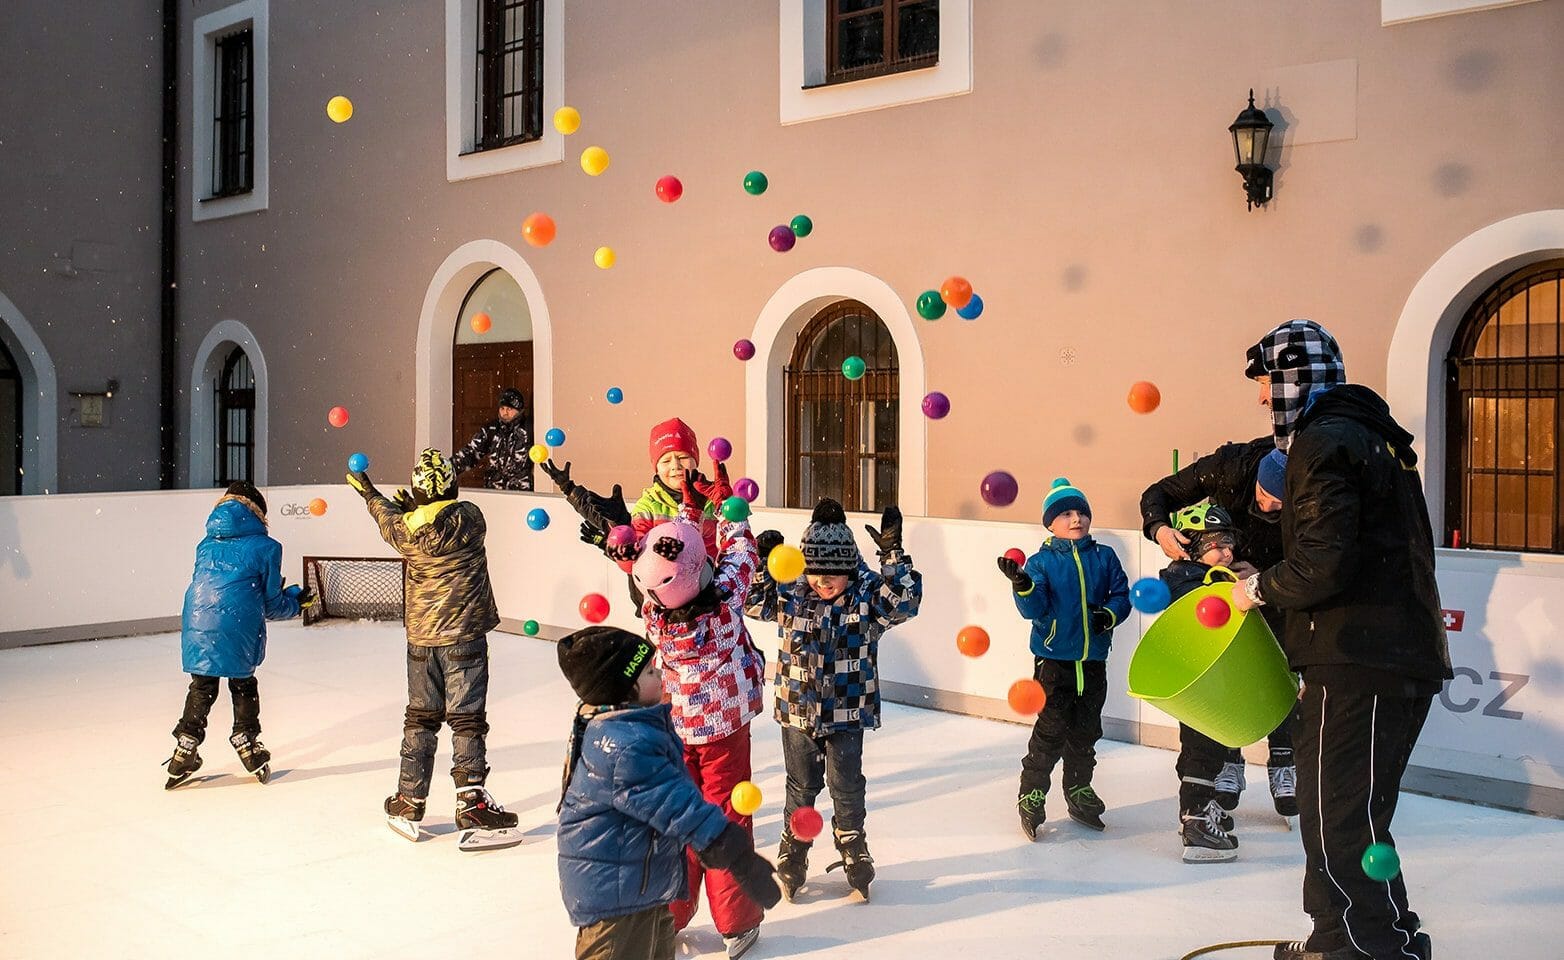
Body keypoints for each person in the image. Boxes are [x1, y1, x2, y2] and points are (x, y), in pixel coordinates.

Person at [1232, 319, 1451, 960]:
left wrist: (1261, 588)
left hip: (1355, 655)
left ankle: (1354, 947)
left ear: (1296, 380)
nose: (1261, 398)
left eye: (1269, 381)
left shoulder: (1324, 442)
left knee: (1334, 819)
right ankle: (1375, 936)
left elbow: (1325, 563)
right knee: (1359, 816)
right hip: (1397, 653)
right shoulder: (1374, 438)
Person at [605, 469, 768, 958]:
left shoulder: (655, 612)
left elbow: (673, 552)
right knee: (724, 817)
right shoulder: (722, 607)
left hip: (677, 732)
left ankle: (670, 913)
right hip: (723, 735)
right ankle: (737, 922)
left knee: (679, 818)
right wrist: (728, 507)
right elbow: (742, 556)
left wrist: (687, 508)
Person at [555, 626, 780, 960]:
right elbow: (679, 806)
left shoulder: (623, 726)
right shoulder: (626, 747)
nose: (660, 672)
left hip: (640, 885)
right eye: (648, 671)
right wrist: (736, 854)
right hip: (617, 898)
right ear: (625, 689)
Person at [745, 499, 923, 901]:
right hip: (797, 710)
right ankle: (794, 848)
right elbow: (752, 603)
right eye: (816, 572)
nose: (824, 582)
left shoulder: (866, 597)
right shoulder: (790, 591)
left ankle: (852, 842)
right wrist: (763, 563)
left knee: (845, 785)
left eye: (834, 575)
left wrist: (892, 555)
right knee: (800, 786)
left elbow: (906, 601)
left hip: (848, 711)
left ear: (849, 570)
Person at [347, 448, 521, 852]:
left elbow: (383, 514)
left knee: (421, 717)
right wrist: (424, 507)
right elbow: (448, 514)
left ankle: (409, 800)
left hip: (421, 641)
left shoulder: (405, 530)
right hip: (463, 638)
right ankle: (472, 803)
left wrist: (370, 490)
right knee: (466, 720)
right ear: (453, 486)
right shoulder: (470, 518)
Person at [1141, 432, 1298, 820]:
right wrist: (1160, 529)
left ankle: (1284, 760)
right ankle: (1229, 762)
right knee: (1227, 691)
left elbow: (1315, 562)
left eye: (1280, 503)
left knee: (1280, 669)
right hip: (1227, 601)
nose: (1269, 506)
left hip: (1272, 585)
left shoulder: (1313, 497)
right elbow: (1155, 496)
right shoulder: (1228, 469)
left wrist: (1265, 578)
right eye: (1264, 496)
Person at [995, 477, 1131, 838]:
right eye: (1067, 513)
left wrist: (1110, 615)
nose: (1076, 519)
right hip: (1054, 663)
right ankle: (1033, 792)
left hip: (1093, 662)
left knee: (1086, 731)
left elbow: (1122, 595)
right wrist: (1022, 584)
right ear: (1050, 523)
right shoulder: (1041, 563)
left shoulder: (1104, 557)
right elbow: (1033, 609)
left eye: (1081, 512)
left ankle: (1078, 787)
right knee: (1051, 730)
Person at [165, 481, 309, 789]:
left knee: (202, 684)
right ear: (258, 513)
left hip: (198, 617)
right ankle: (245, 737)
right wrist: (296, 602)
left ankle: (185, 746)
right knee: (243, 683)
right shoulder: (267, 547)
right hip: (236, 619)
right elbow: (271, 604)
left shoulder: (205, 543)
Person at [1157, 503, 1246, 863]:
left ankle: (1202, 804)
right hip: (1199, 682)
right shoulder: (1187, 579)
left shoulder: (1208, 576)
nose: (1226, 552)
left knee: (1205, 745)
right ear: (1191, 547)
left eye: (1229, 543)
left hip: (1207, 680)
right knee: (1202, 747)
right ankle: (1195, 820)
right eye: (1215, 544)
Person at [451, 386, 533, 491]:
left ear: (519, 410)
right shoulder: (492, 429)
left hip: (521, 491)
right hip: (494, 490)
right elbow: (471, 451)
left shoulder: (529, 430)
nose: (505, 413)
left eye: (509, 409)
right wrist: (448, 468)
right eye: (502, 408)